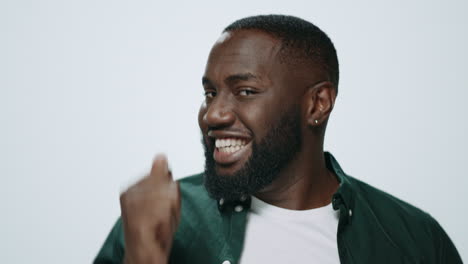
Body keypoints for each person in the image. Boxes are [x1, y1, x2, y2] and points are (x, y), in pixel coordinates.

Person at [94, 15, 462, 264]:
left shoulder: (413, 239)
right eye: (210, 93)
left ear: (317, 103)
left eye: (246, 91)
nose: (213, 115)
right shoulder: (164, 219)